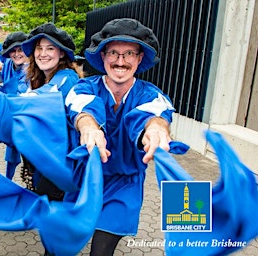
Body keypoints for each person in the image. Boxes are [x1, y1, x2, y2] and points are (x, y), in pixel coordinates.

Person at [65, 18, 174, 255]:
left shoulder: (151, 95)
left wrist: (155, 129)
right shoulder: (84, 88)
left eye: (129, 54)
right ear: (103, 56)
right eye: (113, 52)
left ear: (139, 58)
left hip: (124, 185)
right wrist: (89, 128)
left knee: (101, 251)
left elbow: (152, 116)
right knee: (59, 245)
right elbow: (83, 109)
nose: (120, 61)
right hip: (84, 180)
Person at [18, 23, 83, 197]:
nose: (43, 54)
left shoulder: (67, 78)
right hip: (48, 155)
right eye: (39, 48)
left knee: (52, 204)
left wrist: (2, 102)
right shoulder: (39, 79)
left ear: (61, 53)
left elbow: (44, 98)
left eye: (50, 48)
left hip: (63, 159)